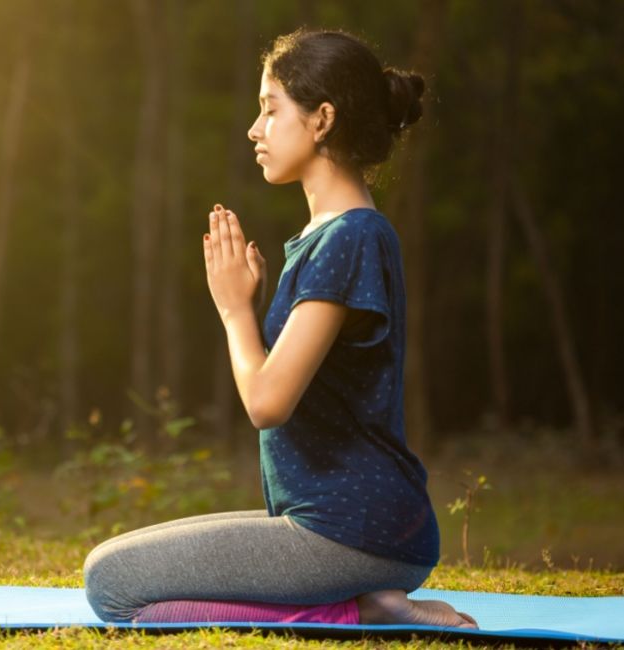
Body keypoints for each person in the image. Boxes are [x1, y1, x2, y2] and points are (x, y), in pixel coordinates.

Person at [82, 27, 478, 629]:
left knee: (111, 585)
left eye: (270, 109)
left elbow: (268, 402)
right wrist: (253, 306)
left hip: (353, 532)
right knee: (113, 565)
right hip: (348, 526)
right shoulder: (334, 238)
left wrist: (235, 311)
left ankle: (355, 608)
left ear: (322, 119)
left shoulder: (350, 237)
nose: (254, 129)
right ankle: (360, 600)